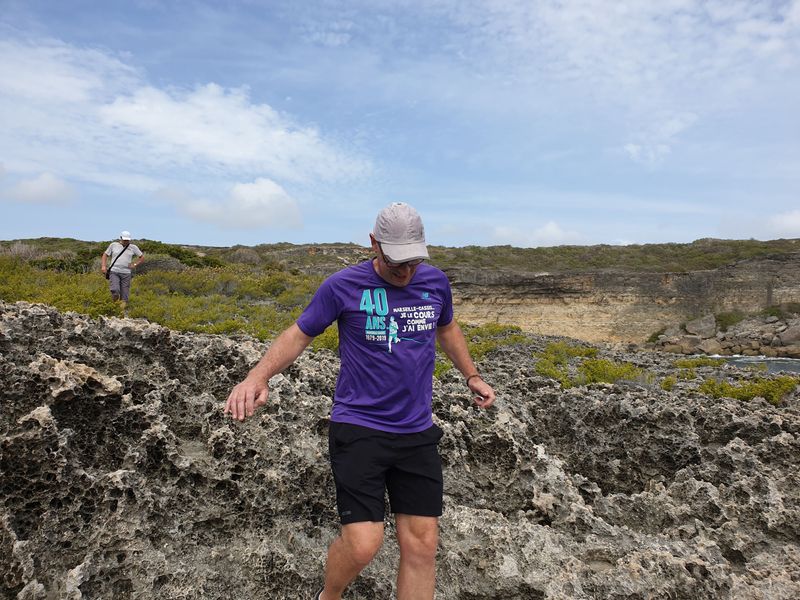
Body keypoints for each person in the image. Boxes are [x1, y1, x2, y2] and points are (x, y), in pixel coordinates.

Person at [224, 203, 496, 600]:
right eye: (396, 262)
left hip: (416, 432)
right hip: (359, 428)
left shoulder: (435, 282)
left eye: (414, 262)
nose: (406, 272)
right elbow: (299, 333)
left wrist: (472, 375)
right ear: (374, 244)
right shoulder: (342, 286)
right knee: (364, 544)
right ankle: (329, 596)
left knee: (422, 545)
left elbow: (447, 328)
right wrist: (257, 376)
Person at [101, 231, 144, 314]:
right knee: (115, 290)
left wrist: (134, 264)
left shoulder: (133, 247)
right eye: (124, 240)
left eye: (127, 240)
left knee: (124, 295)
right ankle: (114, 306)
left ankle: (120, 312)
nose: (126, 241)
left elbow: (142, 257)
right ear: (120, 238)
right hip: (114, 271)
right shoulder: (113, 245)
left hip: (126, 273)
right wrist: (103, 266)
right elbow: (105, 255)